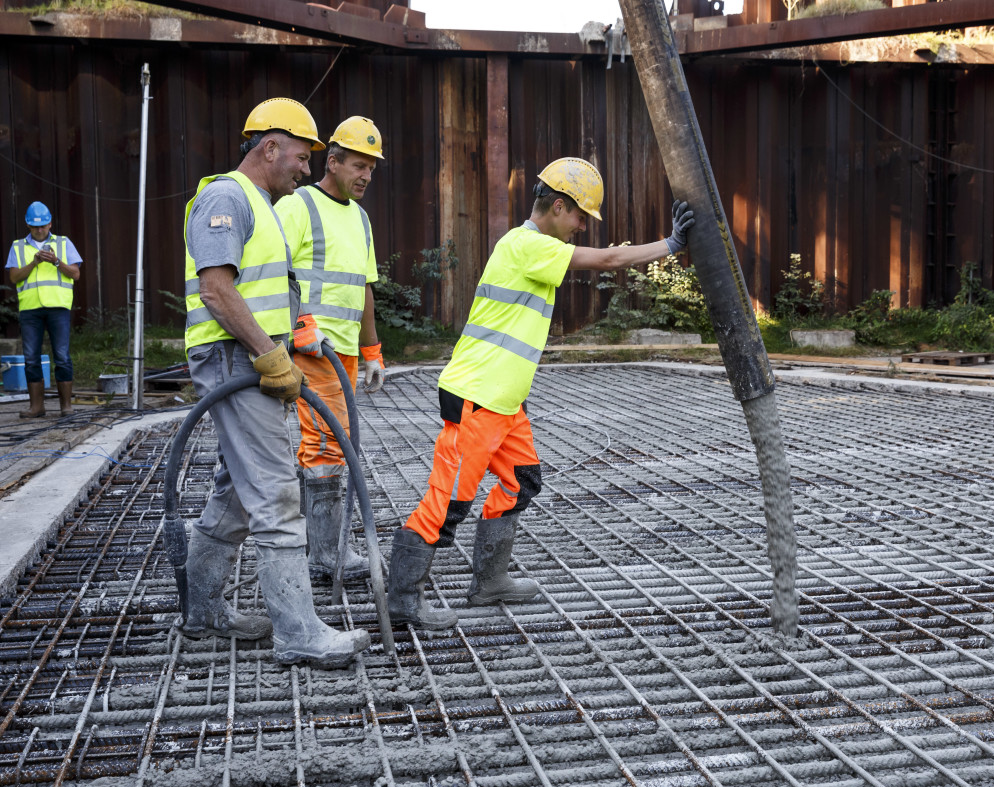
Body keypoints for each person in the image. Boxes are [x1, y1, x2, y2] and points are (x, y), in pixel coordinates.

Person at [387, 157, 695, 630]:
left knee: (521, 481)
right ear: (557, 206)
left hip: (505, 404)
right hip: (477, 398)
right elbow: (609, 260)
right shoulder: (527, 244)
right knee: (447, 502)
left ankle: (488, 583)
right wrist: (670, 245)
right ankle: (404, 599)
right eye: (578, 217)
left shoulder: (532, 246)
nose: (579, 227)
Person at [179, 97, 369, 669]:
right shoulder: (226, 197)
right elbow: (216, 289)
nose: (307, 169)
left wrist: (290, 337)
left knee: (237, 493)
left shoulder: (259, 205)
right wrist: (268, 354)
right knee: (275, 491)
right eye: (302, 156)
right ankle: (298, 632)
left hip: (253, 359)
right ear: (269, 147)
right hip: (236, 361)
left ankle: (205, 608)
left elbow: (259, 289)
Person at [276, 115, 387, 583]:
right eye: (358, 165)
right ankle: (324, 556)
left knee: (330, 445)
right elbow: (270, 271)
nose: (365, 176)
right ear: (333, 161)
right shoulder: (299, 205)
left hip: (342, 354)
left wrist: (374, 351)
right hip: (309, 350)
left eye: (372, 168)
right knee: (326, 446)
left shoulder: (360, 219)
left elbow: (363, 288)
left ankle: (317, 547)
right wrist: (298, 324)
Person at [6, 201, 82, 418]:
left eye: (43, 225)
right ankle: (37, 407)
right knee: (31, 358)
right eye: (34, 226)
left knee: (62, 356)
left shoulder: (64, 243)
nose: (39, 230)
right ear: (28, 226)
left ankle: (66, 407)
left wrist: (57, 261)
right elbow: (13, 277)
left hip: (58, 307)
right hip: (30, 310)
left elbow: (75, 274)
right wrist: (34, 263)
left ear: (50, 224)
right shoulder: (18, 246)